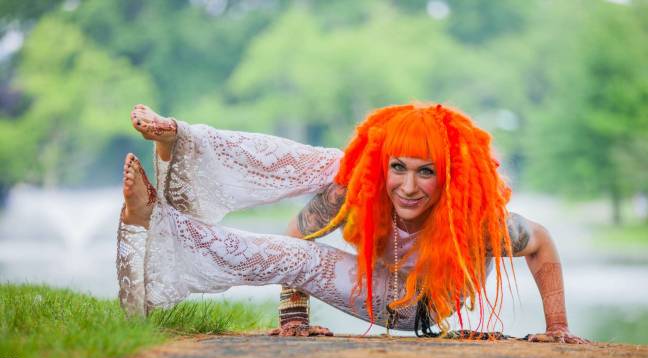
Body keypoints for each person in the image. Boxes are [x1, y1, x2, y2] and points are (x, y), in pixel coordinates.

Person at [117, 103, 588, 344]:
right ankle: (185, 153)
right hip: (375, 289)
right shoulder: (354, 191)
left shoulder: (478, 222)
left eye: (426, 172)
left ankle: (186, 150)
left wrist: (559, 324)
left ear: (448, 178)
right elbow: (297, 238)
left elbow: (541, 242)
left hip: (421, 309)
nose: (407, 186)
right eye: (397, 167)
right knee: (339, 165)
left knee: (339, 166)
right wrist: (295, 318)